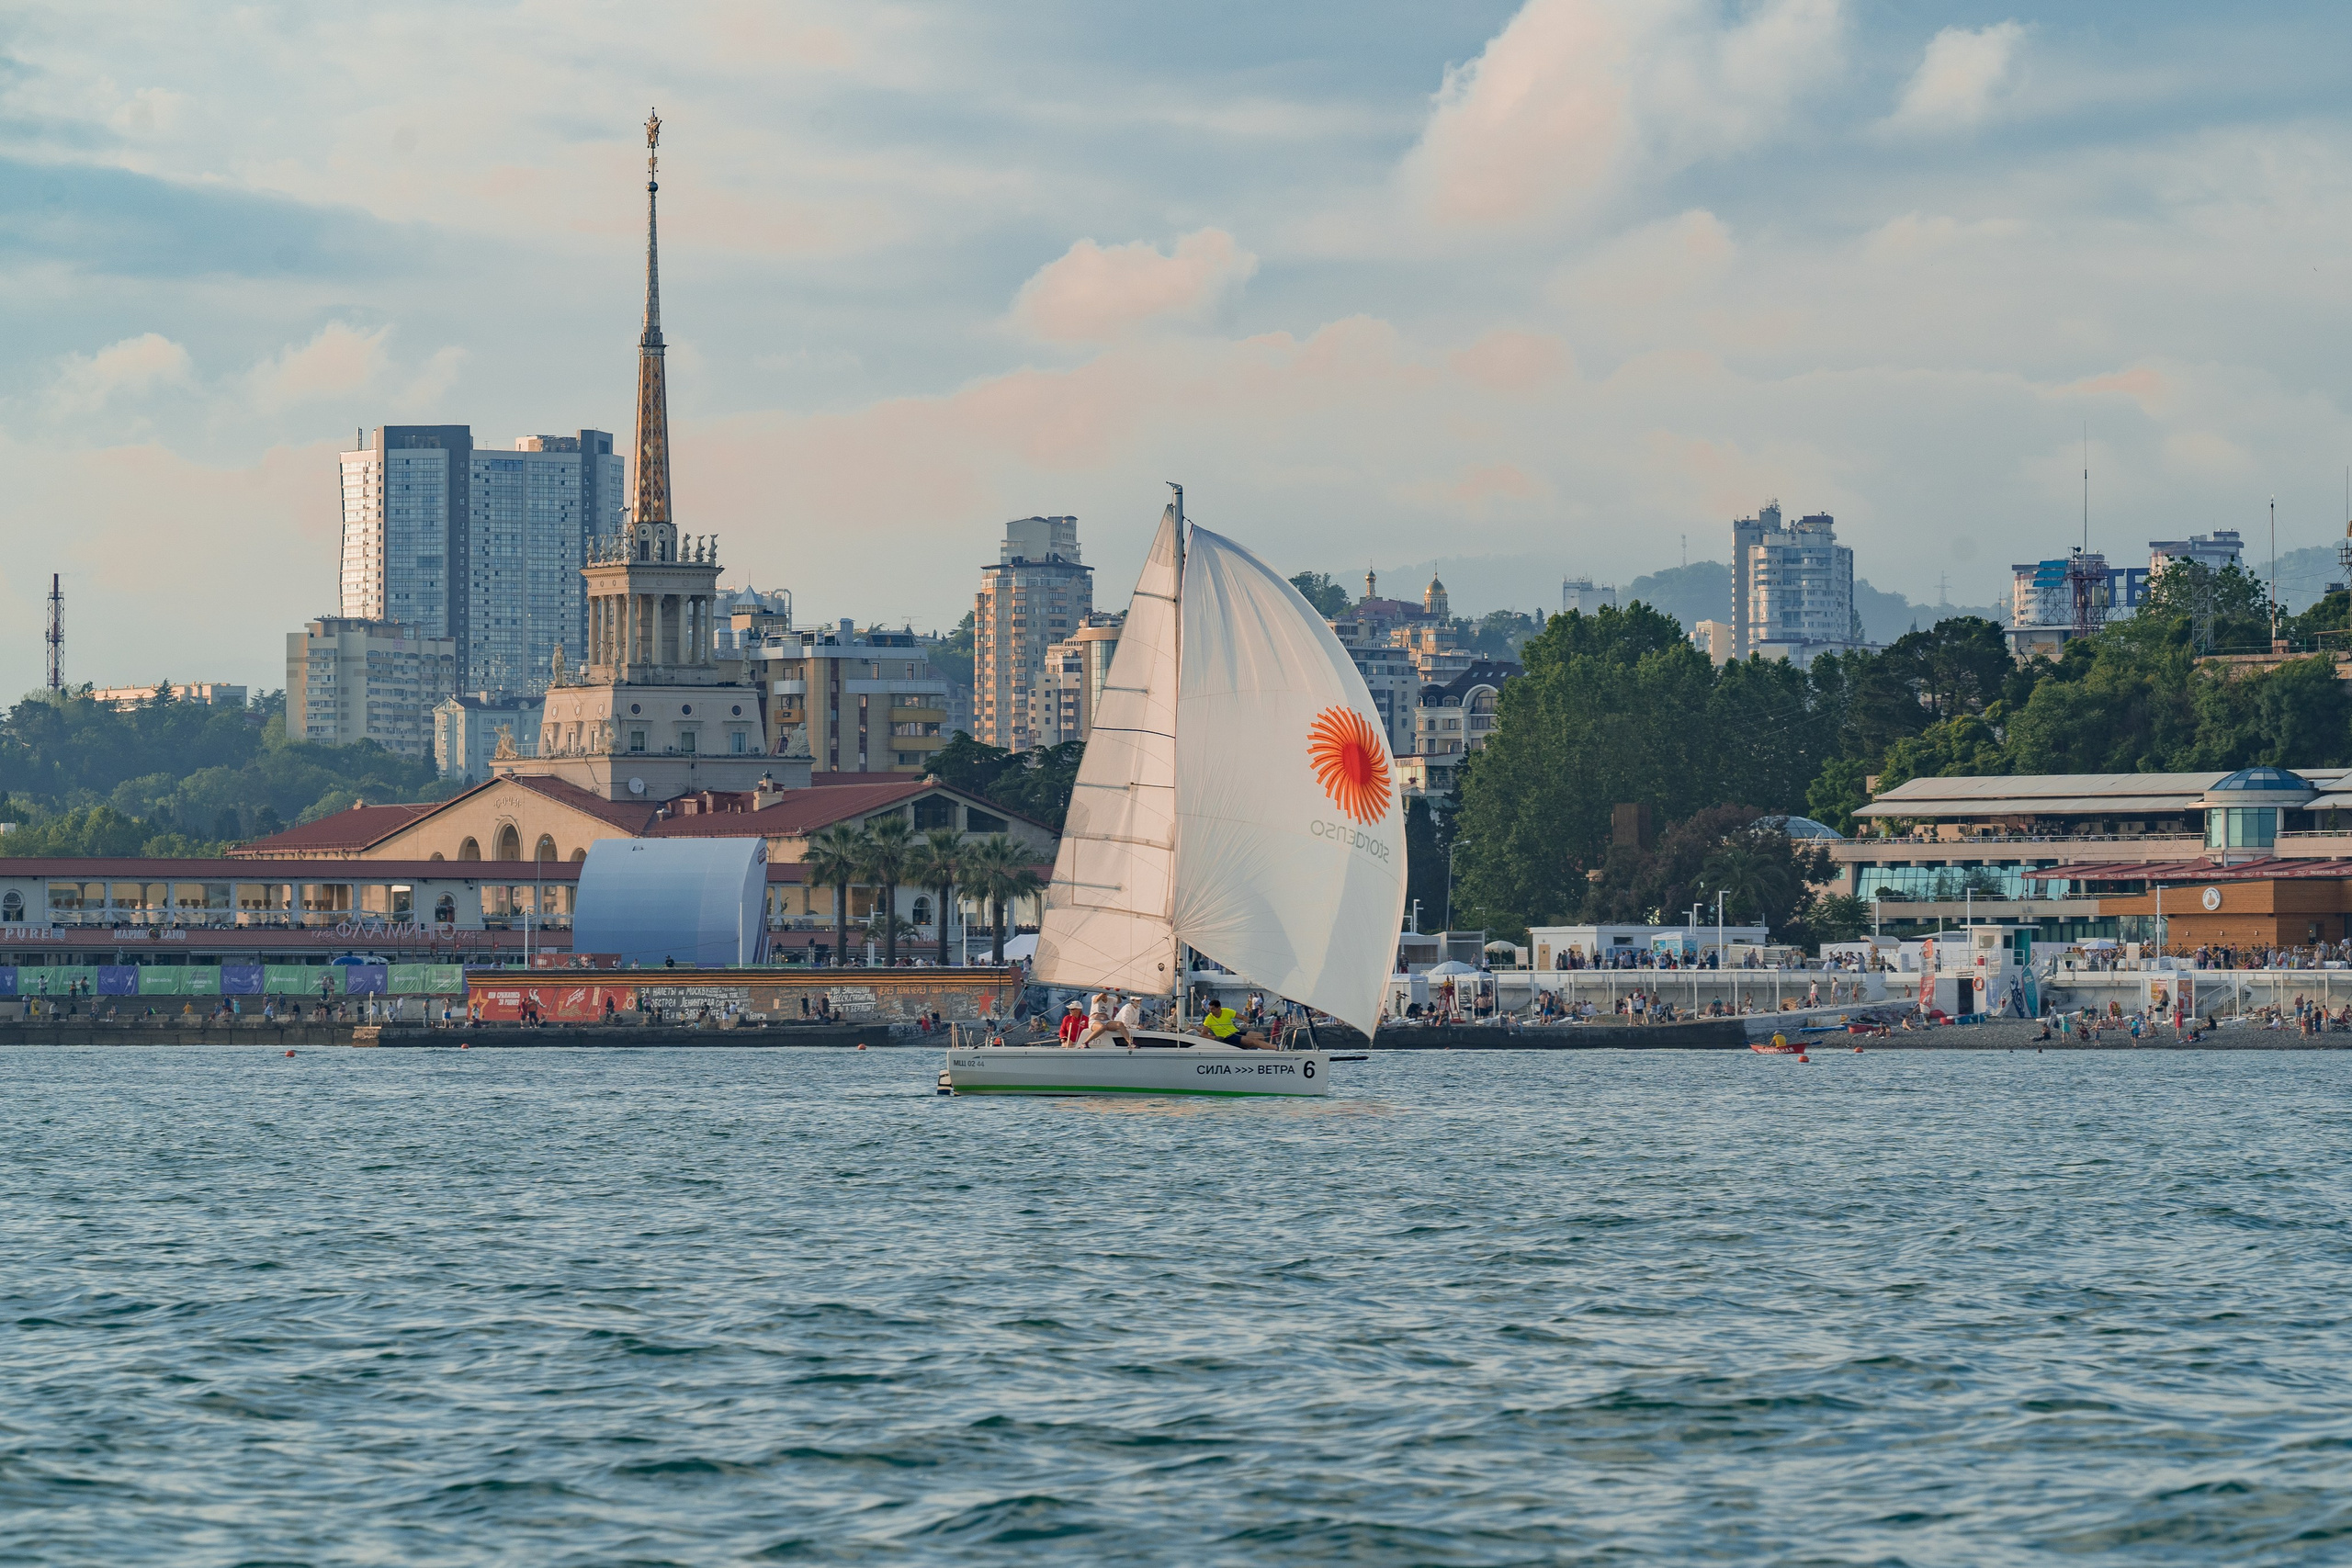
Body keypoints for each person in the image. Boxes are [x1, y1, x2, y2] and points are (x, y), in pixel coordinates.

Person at [1199, 1004, 1271, 1049]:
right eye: (1211, 1009)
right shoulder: (1209, 1019)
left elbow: (1242, 1017)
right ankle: (1273, 1048)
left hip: (1235, 1032)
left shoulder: (1226, 1011)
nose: (1211, 1011)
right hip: (1226, 1038)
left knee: (1261, 1036)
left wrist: (1248, 1020)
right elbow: (1203, 1034)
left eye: (1213, 1009)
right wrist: (1215, 1038)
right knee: (1253, 1041)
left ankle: (1252, 1048)